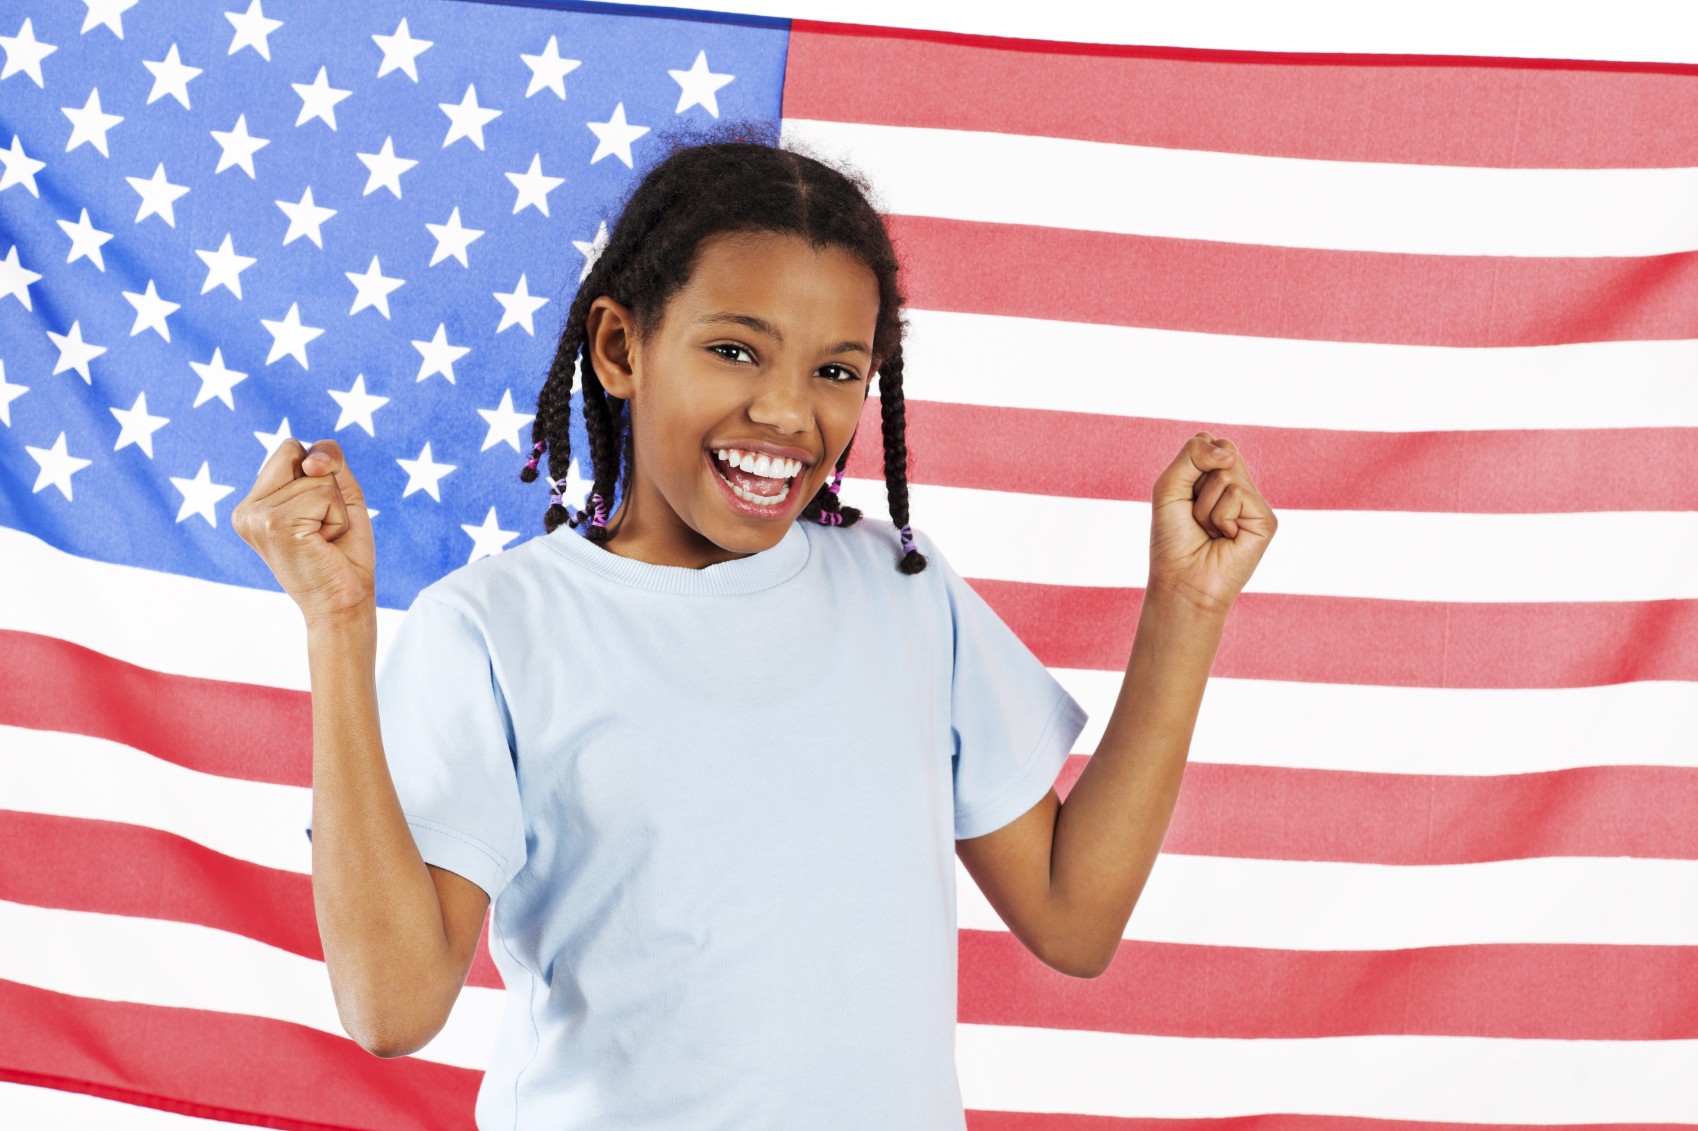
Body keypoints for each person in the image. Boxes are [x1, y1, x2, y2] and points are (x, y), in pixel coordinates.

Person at [235, 126, 1277, 1130]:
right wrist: (337, 627)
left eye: (835, 371)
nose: (787, 413)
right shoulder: (497, 628)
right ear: (618, 347)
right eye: (738, 350)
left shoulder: (903, 592)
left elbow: (1074, 917)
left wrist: (1188, 609)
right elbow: (391, 1006)